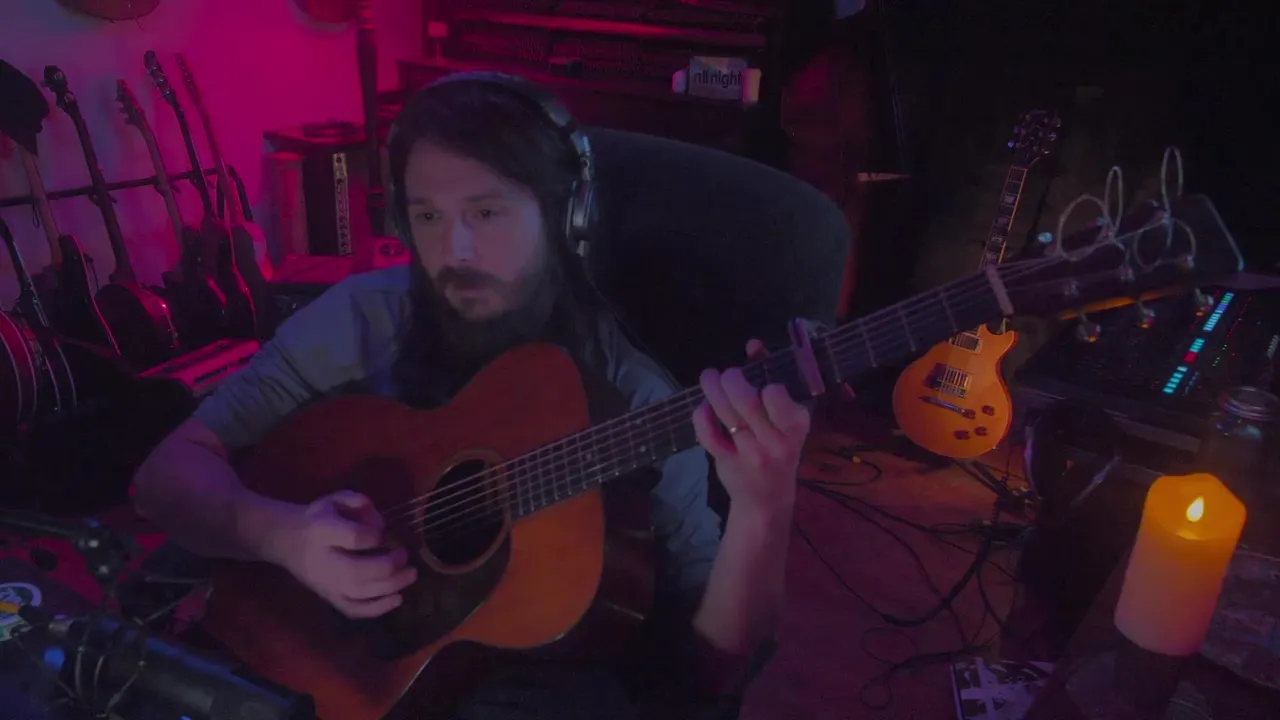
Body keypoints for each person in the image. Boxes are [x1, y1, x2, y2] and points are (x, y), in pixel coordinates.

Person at [132, 73, 811, 719]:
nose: (454, 250)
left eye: (487, 212)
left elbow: (712, 675)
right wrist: (280, 537)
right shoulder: (362, 320)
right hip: (307, 645)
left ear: (566, 218)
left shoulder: (635, 397)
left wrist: (764, 506)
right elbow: (163, 476)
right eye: (428, 215)